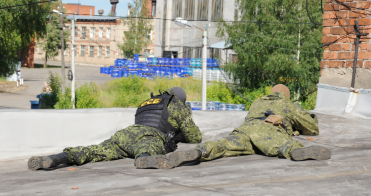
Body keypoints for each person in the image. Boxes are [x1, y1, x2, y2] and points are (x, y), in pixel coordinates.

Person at [149, 84, 331, 169]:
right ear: (286, 95)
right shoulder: (286, 104)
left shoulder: (258, 101)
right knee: (282, 144)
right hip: (267, 129)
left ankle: (198, 152)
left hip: (245, 130)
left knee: (222, 146)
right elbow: (312, 128)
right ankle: (296, 152)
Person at [28, 87, 202, 170]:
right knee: (147, 149)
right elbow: (195, 137)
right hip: (148, 136)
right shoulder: (176, 104)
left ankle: (57, 158)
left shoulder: (146, 103)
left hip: (124, 136)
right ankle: (145, 159)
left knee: (94, 151)